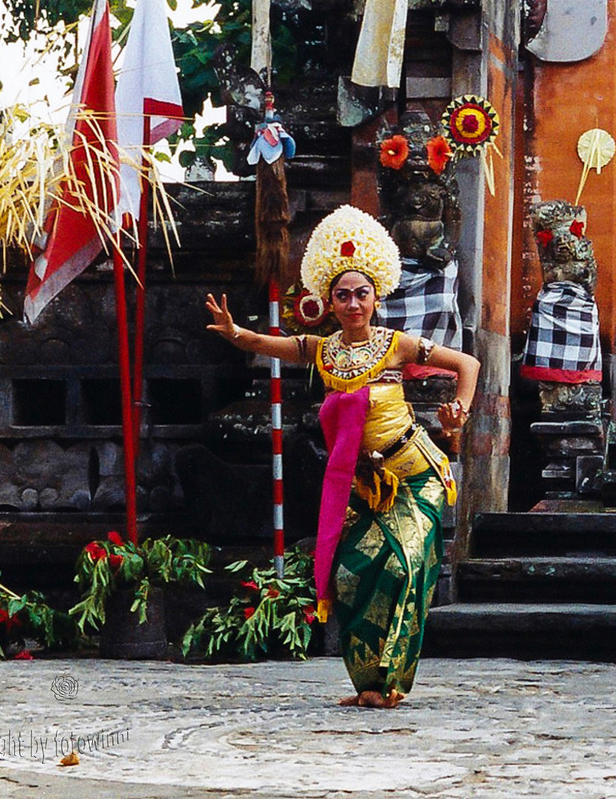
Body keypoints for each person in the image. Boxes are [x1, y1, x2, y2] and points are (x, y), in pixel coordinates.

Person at [205, 204, 480, 709]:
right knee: (351, 575)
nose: (354, 303)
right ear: (328, 301)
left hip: (416, 472)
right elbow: (274, 344)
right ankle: (366, 684)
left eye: (362, 293)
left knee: (403, 568)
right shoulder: (322, 351)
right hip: (363, 484)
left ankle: (393, 682)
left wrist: (458, 411)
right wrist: (235, 333)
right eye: (343, 295)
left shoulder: (397, 345)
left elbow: (467, 361)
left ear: (377, 296)